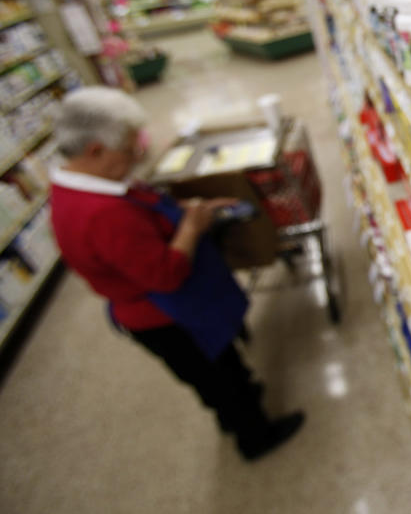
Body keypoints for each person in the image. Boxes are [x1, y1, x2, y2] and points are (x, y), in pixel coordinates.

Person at [48, 87, 303, 460]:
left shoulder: (88, 183)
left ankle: (235, 412)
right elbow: (165, 275)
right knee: (220, 377)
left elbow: (145, 209)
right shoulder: (100, 214)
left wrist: (193, 210)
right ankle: (256, 437)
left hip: (174, 312)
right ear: (95, 151)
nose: (138, 155)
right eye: (130, 148)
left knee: (219, 373)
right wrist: (191, 229)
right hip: (170, 317)